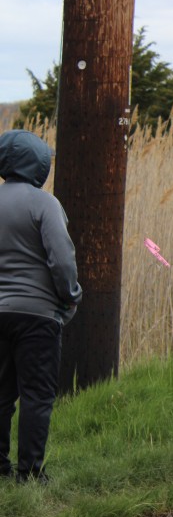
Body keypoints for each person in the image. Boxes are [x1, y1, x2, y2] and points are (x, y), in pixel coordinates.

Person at [0, 130, 82, 483]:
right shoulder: (44, 203)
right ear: (39, 164)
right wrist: (71, 295)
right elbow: (62, 260)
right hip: (37, 316)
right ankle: (31, 474)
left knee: (0, 395)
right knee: (37, 395)